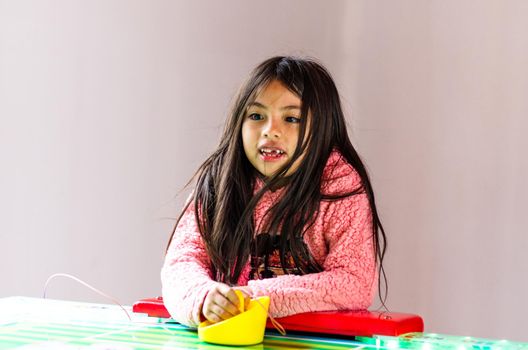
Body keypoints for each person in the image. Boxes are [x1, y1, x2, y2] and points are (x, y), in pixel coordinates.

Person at [161, 56, 387, 328]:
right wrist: (202, 297)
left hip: (315, 342)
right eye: (257, 116)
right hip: (234, 339)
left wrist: (254, 298)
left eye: (291, 118)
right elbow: (182, 261)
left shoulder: (340, 186)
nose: (271, 131)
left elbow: (354, 281)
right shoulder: (219, 180)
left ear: (323, 131)